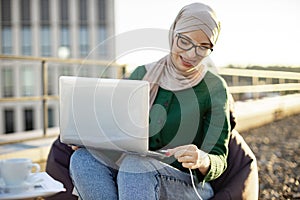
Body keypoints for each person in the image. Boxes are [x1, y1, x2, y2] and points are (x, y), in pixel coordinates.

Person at [69, 2, 231, 200]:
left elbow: (219, 158)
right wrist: (92, 140)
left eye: (203, 47)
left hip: (185, 182)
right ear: (173, 34)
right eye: (184, 41)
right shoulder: (141, 74)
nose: (191, 54)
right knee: (83, 160)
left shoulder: (214, 88)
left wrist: (203, 159)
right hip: (132, 172)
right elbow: (117, 129)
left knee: (135, 166)